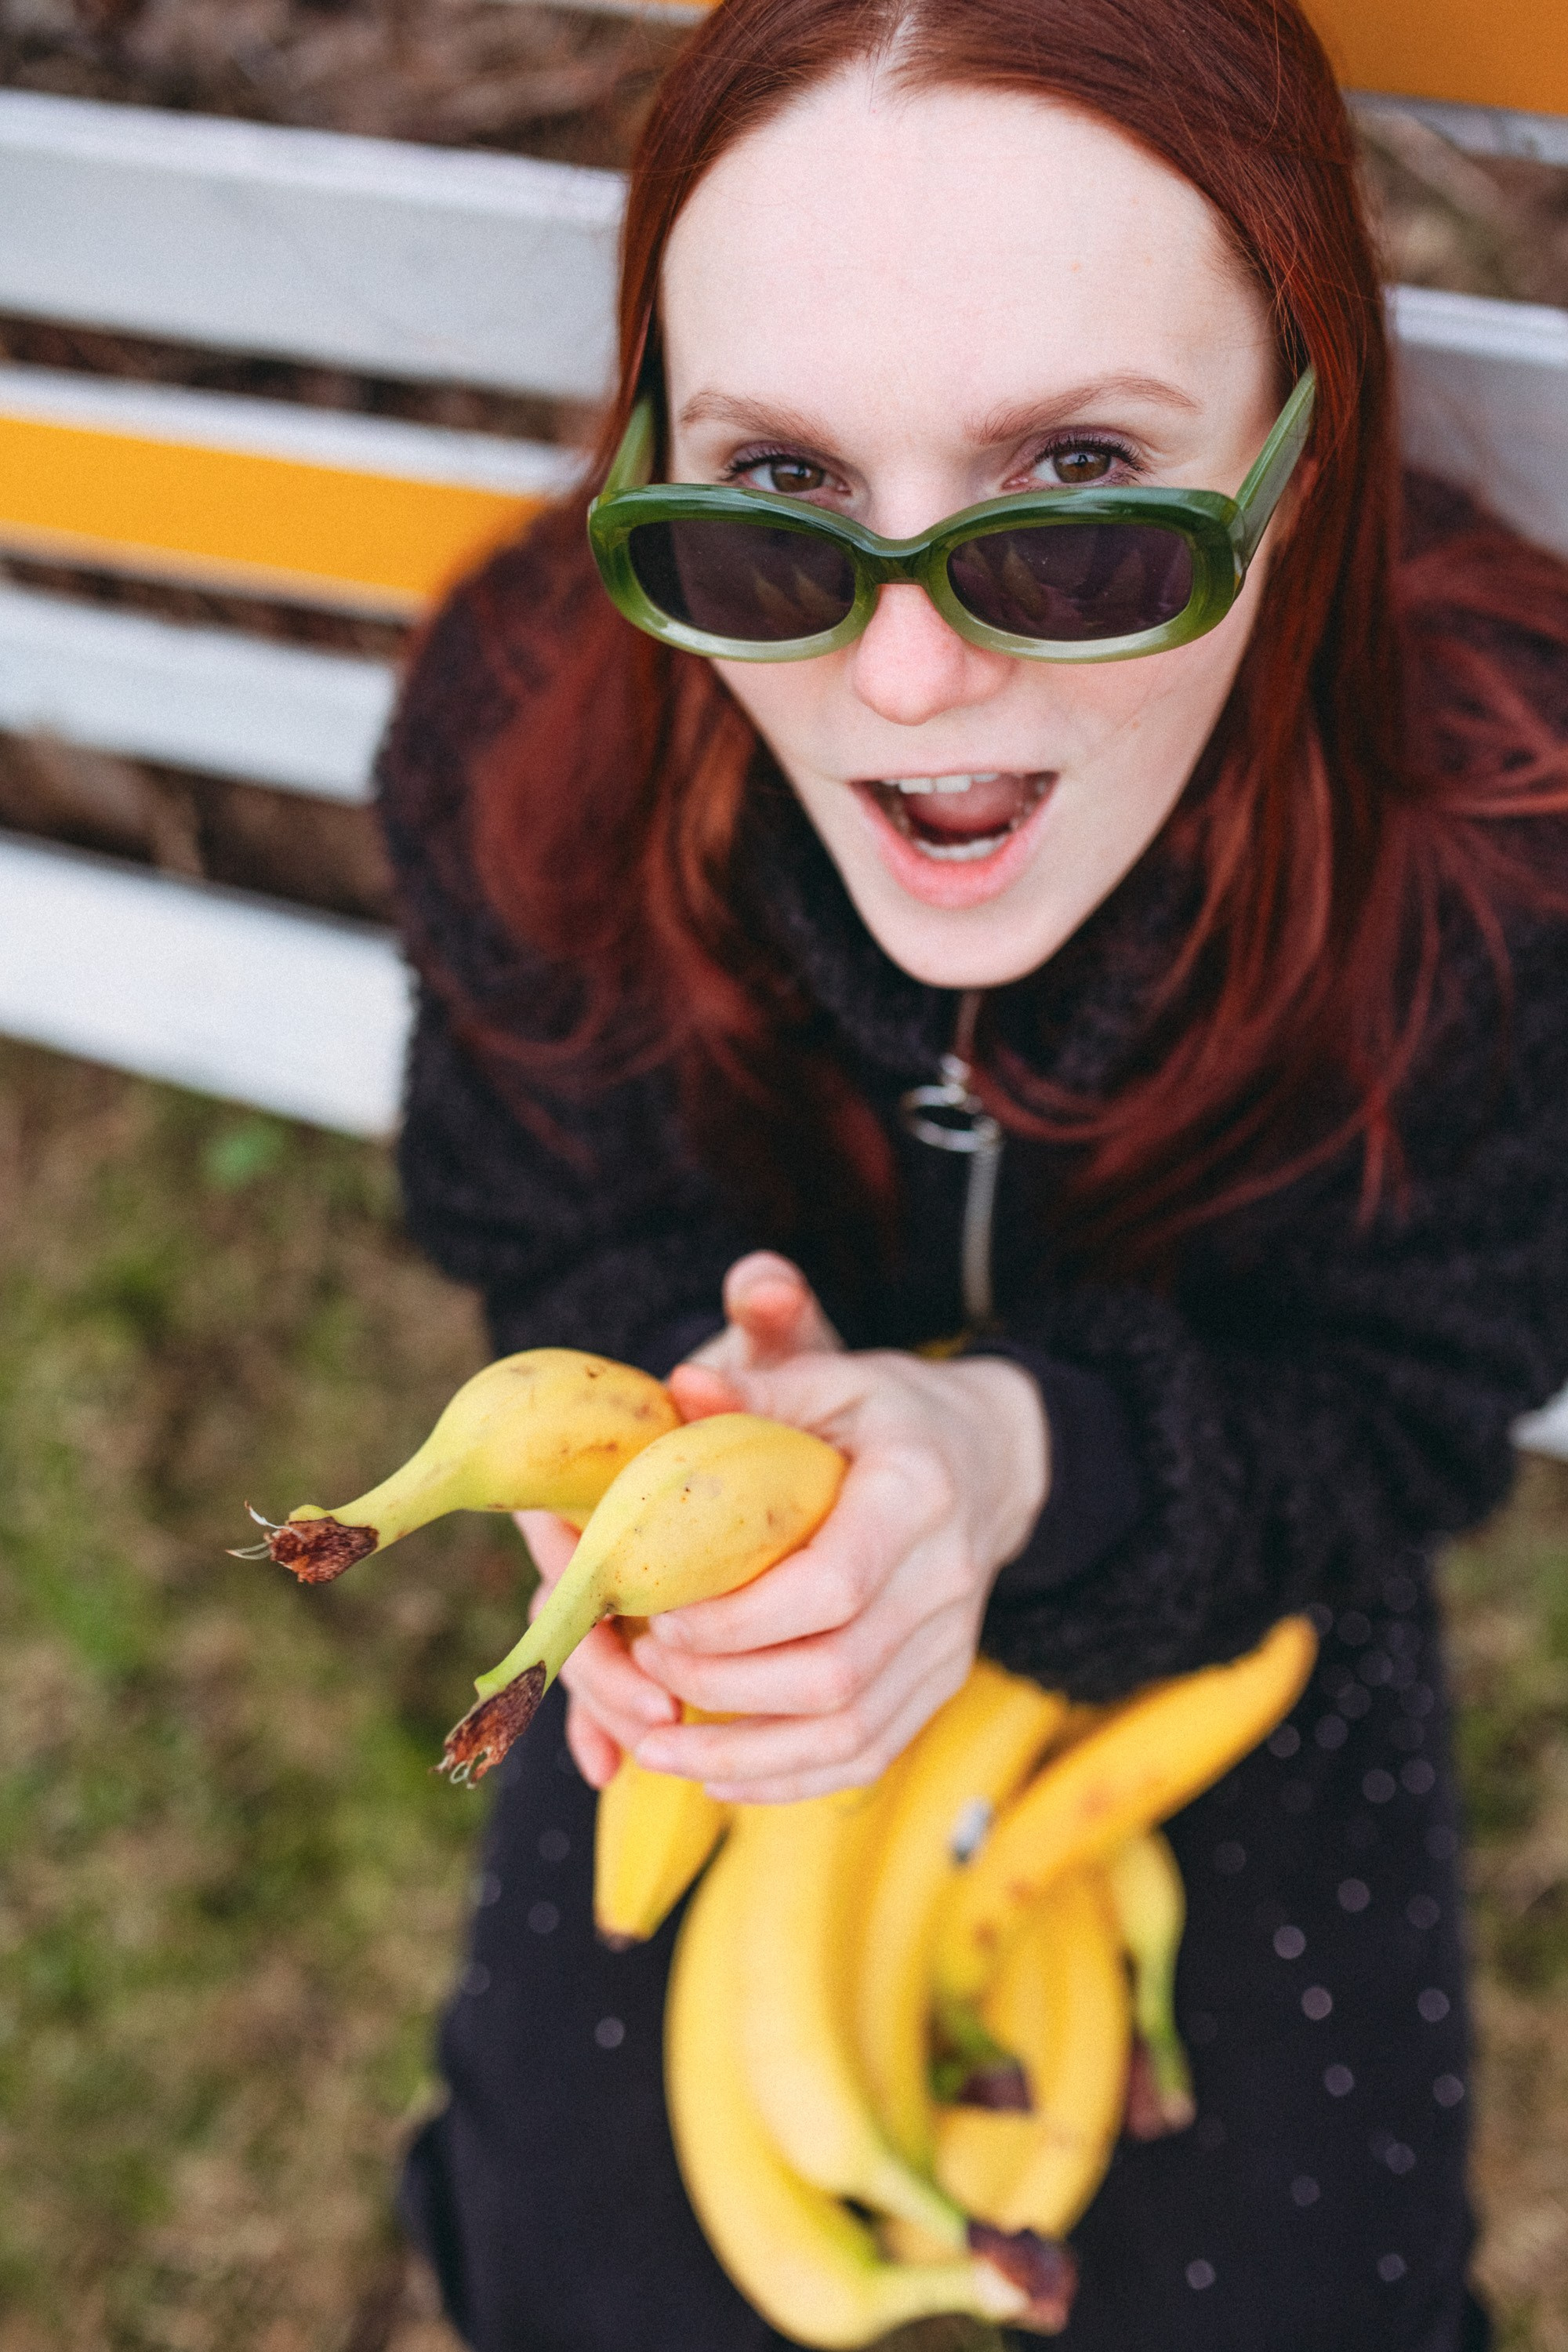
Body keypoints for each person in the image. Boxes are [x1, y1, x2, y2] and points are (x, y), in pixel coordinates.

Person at [382, 0, 1568, 2343]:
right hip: (727, 1632)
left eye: (1084, 509)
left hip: (1228, 1568)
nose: (906, 683)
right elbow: (530, 1196)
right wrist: (671, 1408)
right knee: (565, 2268)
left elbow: (1407, 1394)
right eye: (774, 503)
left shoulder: (1509, 846)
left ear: (1301, 450)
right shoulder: (534, 740)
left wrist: (1030, 1456)